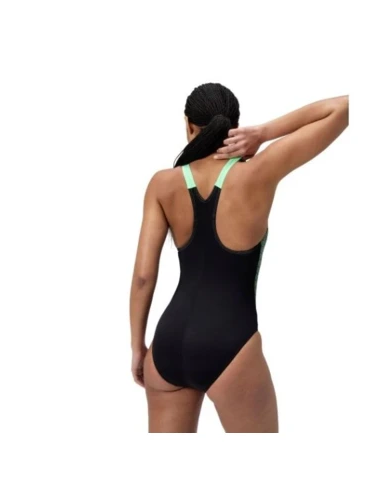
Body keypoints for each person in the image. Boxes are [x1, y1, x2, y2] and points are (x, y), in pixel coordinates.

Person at [129, 83, 348, 433]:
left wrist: (138, 348)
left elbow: (143, 277)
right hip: (230, 343)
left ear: (188, 125)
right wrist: (264, 134)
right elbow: (343, 108)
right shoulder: (258, 172)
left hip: (167, 345)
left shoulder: (162, 184)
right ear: (235, 125)